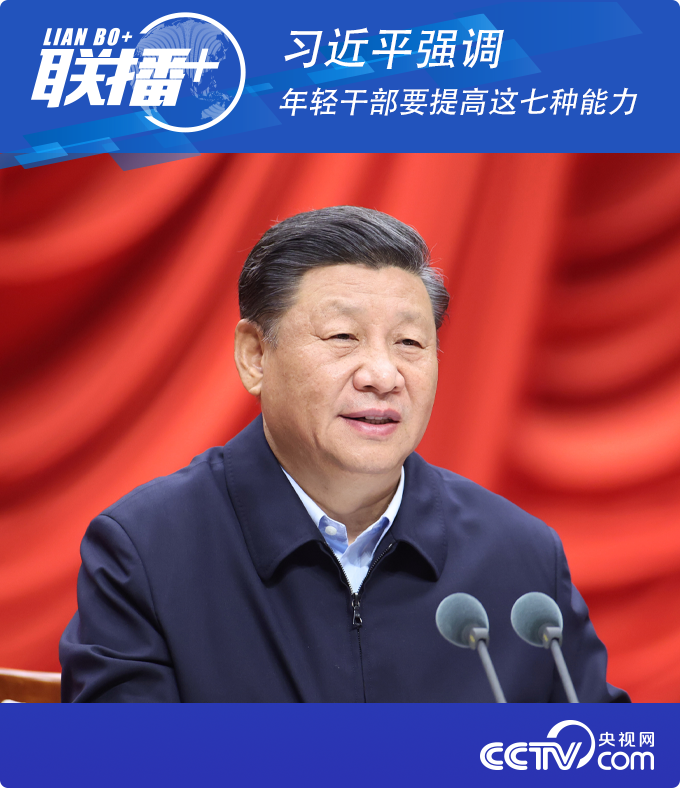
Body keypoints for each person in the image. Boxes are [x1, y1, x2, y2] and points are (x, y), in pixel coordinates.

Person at [60, 206, 628, 702]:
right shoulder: (147, 549)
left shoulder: (522, 557)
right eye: (343, 337)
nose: (383, 375)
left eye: (409, 343)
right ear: (256, 356)